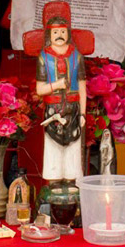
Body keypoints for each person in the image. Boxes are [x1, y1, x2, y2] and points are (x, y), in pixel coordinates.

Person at [34, 10, 87, 185]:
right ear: (49, 35)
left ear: (68, 33)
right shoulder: (44, 57)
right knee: (53, 146)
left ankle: (72, 179)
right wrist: (56, 85)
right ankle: (54, 180)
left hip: (73, 109)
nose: (59, 35)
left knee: (73, 145)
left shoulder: (76, 56)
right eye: (55, 32)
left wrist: (83, 113)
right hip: (53, 110)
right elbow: (40, 89)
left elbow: (82, 87)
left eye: (63, 31)